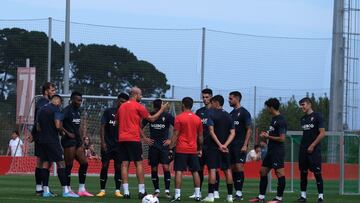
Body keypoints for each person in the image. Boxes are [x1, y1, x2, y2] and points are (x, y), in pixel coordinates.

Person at [117, 87, 168, 199]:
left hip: (122, 139)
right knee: (138, 163)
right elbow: (152, 118)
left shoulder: (121, 106)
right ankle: (141, 191)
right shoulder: (138, 106)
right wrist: (162, 109)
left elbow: (117, 122)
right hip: (133, 139)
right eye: (140, 94)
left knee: (124, 164)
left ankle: (126, 192)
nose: (141, 96)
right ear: (135, 94)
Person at [249, 98, 287, 203]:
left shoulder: (281, 120)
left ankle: (279, 198)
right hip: (270, 151)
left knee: (279, 173)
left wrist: (268, 137)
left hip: (277, 151)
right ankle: (261, 197)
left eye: (267, 107)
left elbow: (282, 138)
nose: (266, 109)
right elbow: (272, 135)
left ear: (271, 107)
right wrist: (266, 136)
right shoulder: (273, 119)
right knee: (263, 171)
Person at [36, 95, 75, 197]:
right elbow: (58, 125)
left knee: (46, 163)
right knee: (61, 163)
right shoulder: (56, 109)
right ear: (57, 101)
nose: (60, 104)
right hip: (52, 141)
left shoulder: (41, 109)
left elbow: (38, 127)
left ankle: (46, 191)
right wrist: (62, 132)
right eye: (61, 102)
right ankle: (66, 191)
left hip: (42, 140)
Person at [202, 95, 235, 203]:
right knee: (227, 170)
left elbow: (211, 131)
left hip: (213, 147)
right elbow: (232, 133)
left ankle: (210, 196)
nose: (211, 105)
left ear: (216, 103)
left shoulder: (212, 114)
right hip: (225, 148)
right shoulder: (229, 115)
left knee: (212, 170)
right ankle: (230, 197)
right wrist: (225, 145)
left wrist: (219, 145)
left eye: (212, 103)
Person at [169, 97, 203, 202]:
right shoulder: (197, 119)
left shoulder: (179, 118)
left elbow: (175, 134)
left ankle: (178, 195)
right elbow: (200, 137)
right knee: (195, 171)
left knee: (178, 171)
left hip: (181, 149)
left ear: (183, 105)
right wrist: (199, 148)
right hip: (193, 149)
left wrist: (170, 147)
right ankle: (197, 195)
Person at [96, 93, 129, 198]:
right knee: (104, 166)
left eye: (124, 102)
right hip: (108, 145)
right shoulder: (108, 112)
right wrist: (103, 142)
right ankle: (102, 190)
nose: (122, 103)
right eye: (121, 101)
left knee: (118, 167)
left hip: (119, 146)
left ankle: (117, 191)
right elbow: (102, 127)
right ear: (117, 100)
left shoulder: (127, 114)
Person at [61, 91, 92, 197]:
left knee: (84, 163)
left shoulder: (78, 111)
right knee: (68, 165)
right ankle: (67, 189)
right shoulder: (66, 110)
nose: (80, 102)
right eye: (78, 100)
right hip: (68, 142)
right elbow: (58, 123)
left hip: (77, 142)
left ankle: (82, 189)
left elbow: (77, 128)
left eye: (81, 100)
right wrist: (67, 133)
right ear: (72, 100)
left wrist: (82, 142)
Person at [142, 98, 174, 198]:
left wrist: (171, 140)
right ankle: (156, 190)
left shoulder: (168, 116)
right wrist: (145, 138)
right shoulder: (150, 115)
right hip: (153, 146)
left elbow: (178, 128)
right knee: (154, 168)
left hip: (164, 146)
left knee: (165, 167)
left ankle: (167, 191)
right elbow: (138, 127)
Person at [192, 88, 220, 199]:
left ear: (211, 97)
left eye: (207, 97)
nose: (205, 99)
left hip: (212, 145)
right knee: (199, 168)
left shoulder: (216, 112)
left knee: (213, 168)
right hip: (201, 145)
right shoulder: (199, 112)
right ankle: (198, 191)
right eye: (203, 97)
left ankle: (215, 191)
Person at [297, 97, 325, 203]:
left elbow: (322, 133)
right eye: (301, 105)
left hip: (314, 150)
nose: (302, 107)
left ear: (309, 104)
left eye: (303, 104)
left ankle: (320, 196)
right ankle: (303, 196)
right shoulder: (303, 119)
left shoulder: (318, 116)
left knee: (317, 173)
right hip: (303, 149)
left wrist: (312, 145)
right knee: (303, 173)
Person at [30, 82, 56, 196]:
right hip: (44, 138)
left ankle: (39, 189)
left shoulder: (42, 103)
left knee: (40, 162)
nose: (54, 92)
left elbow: (36, 120)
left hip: (40, 137)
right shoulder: (44, 104)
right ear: (46, 91)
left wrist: (33, 133)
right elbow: (39, 121)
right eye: (52, 90)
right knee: (47, 162)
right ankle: (44, 190)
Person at [228, 91, 252, 201]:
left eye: (231, 98)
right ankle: (236, 192)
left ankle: (239, 193)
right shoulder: (231, 114)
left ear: (237, 99)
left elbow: (249, 130)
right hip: (231, 146)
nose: (229, 100)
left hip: (240, 145)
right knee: (232, 168)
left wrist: (245, 145)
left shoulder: (244, 113)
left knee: (239, 167)